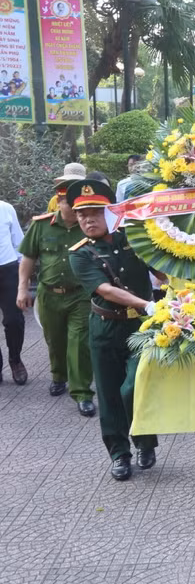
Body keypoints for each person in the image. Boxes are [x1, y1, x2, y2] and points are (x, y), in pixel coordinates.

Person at [67, 180, 162, 481]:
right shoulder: (80, 254)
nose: (88, 220)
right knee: (109, 396)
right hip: (105, 328)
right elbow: (106, 290)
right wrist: (147, 304)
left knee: (134, 388)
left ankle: (145, 442)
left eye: (95, 212)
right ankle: (119, 454)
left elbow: (162, 268)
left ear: (110, 212)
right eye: (82, 215)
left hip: (140, 328)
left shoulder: (135, 237)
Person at [16, 165, 95, 415]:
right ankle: (58, 375)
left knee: (79, 341)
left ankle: (82, 392)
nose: (74, 209)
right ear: (59, 201)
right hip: (49, 294)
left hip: (81, 294)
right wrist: (21, 289)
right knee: (55, 340)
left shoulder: (91, 225)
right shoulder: (41, 226)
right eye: (67, 203)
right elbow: (28, 258)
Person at [0, 197, 26, 385]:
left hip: (8, 269)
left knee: (14, 320)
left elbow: (19, 241)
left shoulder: (6, 208)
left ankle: (15, 360)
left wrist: (24, 275)